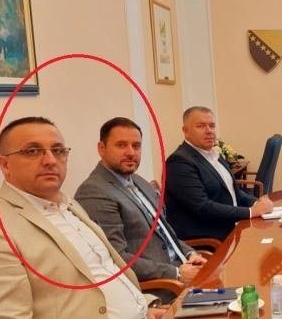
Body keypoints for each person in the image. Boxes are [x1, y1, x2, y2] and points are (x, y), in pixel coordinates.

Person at [0, 117, 166, 319]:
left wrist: (145, 305)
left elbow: (102, 273)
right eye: (32, 151)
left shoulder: (67, 205)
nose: (50, 160)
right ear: (4, 164)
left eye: (58, 150)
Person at [75, 118, 207, 300]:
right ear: (101, 148)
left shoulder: (138, 181)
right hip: (159, 290)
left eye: (136, 146)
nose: (131, 153)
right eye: (121, 145)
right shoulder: (94, 191)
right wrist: (176, 273)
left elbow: (165, 234)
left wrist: (190, 254)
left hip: (184, 273)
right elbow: (117, 258)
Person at [165, 106, 274, 241]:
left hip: (233, 226)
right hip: (211, 238)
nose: (209, 131)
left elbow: (234, 192)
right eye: (201, 126)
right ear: (185, 131)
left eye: (212, 126)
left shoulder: (214, 154)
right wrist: (251, 212)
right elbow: (203, 207)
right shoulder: (179, 162)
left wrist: (257, 202)